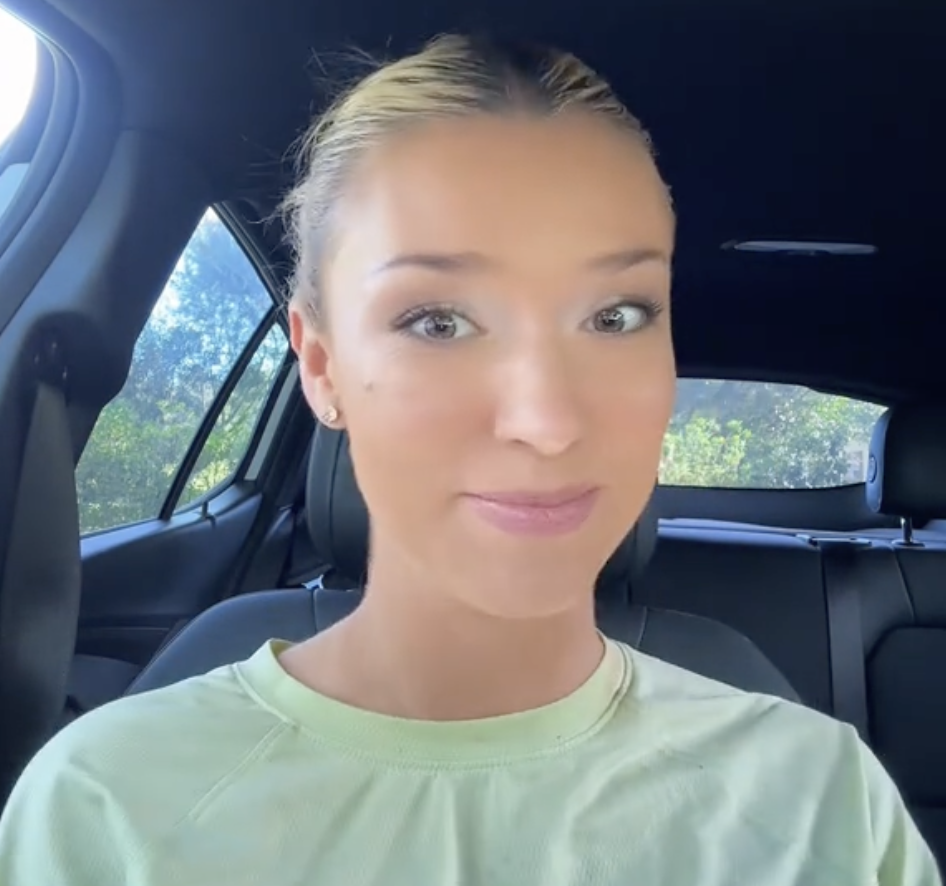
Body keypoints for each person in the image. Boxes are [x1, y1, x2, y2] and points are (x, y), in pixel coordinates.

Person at [0, 33, 939, 886]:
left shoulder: (819, 802)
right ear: (322, 367)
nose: (546, 420)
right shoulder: (108, 803)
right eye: (437, 322)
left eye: (616, 316)